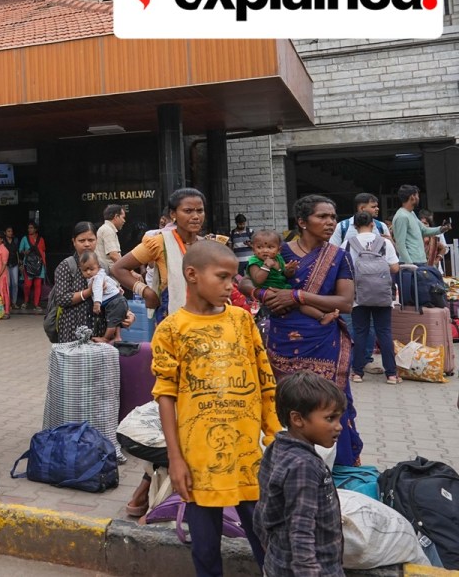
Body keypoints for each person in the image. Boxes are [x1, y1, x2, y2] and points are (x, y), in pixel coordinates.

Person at [153, 240, 279, 577]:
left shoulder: (241, 321)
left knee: (266, 539)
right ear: (192, 275)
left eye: (233, 278)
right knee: (206, 548)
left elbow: (264, 378)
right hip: (198, 460)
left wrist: (275, 433)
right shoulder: (171, 329)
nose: (230, 286)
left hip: (249, 454)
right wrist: (175, 458)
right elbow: (165, 394)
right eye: (222, 277)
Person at [255, 195, 361, 467]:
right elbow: (247, 281)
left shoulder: (338, 256)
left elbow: (345, 302)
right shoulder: (279, 253)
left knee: (327, 405)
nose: (330, 222)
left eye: (333, 217)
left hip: (324, 341)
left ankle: (339, 469)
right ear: (302, 222)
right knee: (288, 406)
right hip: (282, 343)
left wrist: (297, 296)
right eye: (322, 217)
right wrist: (265, 295)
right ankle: (285, 466)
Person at [255, 372, 346, 577]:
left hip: (278, 564)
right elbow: (301, 531)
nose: (339, 426)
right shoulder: (304, 466)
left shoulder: (276, 448)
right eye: (330, 418)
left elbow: (261, 514)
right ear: (297, 419)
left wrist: (273, 552)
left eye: (339, 418)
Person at [112, 188, 211, 324]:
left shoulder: (207, 245)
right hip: (173, 320)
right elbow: (118, 268)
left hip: (206, 319)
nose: (195, 216)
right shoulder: (159, 242)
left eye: (200, 211)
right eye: (188, 211)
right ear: (173, 214)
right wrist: (146, 292)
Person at [345, 212, 400, 385]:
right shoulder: (384, 243)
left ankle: (357, 373)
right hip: (383, 294)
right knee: (384, 331)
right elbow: (395, 268)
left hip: (358, 295)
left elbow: (343, 268)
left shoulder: (348, 244)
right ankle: (391, 374)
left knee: (360, 332)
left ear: (354, 226)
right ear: (373, 225)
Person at [247, 229, 338, 324]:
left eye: (270, 247)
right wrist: (266, 266)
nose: (265, 250)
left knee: (300, 303)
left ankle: (322, 317)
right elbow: (258, 280)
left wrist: (289, 270)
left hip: (282, 290)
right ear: (253, 249)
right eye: (259, 247)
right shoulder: (255, 262)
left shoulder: (278, 258)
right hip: (269, 293)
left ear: (279, 250)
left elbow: (283, 274)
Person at [392, 184, 450, 267]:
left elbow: (424, 230)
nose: (418, 198)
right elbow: (400, 244)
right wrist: (410, 264)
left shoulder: (411, 213)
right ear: (412, 197)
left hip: (419, 261)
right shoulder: (402, 216)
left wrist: (442, 229)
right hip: (412, 263)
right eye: (417, 195)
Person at [77, 251, 127, 343]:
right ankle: (118, 337)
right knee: (116, 320)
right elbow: (110, 281)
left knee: (111, 321)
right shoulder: (102, 274)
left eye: (91, 269)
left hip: (113, 301)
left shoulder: (96, 278)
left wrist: (97, 303)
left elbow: (97, 289)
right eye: (85, 270)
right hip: (118, 298)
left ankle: (106, 338)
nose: (88, 272)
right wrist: (118, 288)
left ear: (98, 266)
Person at [19, 221, 47, 312]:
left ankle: (36, 304)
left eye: (31, 228)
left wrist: (44, 262)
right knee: (27, 285)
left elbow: (43, 251)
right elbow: (20, 250)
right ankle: (26, 301)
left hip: (39, 264)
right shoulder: (24, 238)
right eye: (28, 228)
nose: (29, 229)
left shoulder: (41, 239)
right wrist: (24, 252)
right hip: (28, 264)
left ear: (35, 229)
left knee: (38, 285)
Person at [95, 205, 126, 270]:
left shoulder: (107, 229)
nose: (124, 221)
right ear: (116, 216)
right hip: (109, 274)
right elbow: (114, 255)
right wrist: (130, 271)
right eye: (123, 217)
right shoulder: (107, 230)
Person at [4, 225, 21, 308]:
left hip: (14, 263)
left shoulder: (15, 240)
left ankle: (14, 302)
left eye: (11, 231)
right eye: (8, 231)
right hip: (6, 264)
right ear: (5, 233)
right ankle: (8, 302)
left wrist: (19, 262)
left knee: (15, 283)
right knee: (8, 284)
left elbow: (17, 252)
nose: (10, 233)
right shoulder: (3, 242)